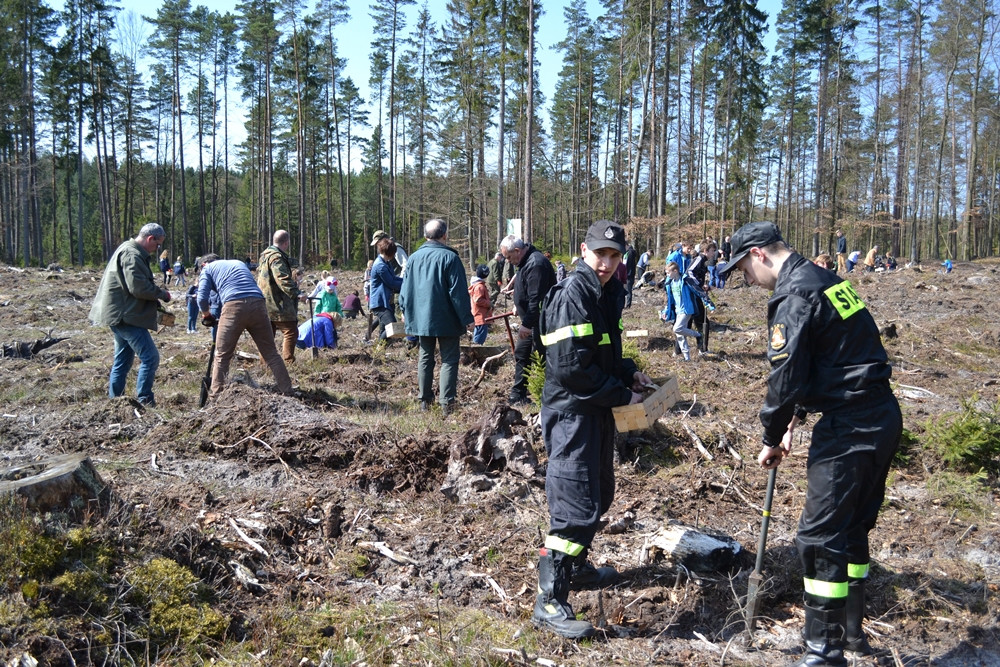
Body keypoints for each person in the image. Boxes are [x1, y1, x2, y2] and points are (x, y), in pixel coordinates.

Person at [719, 221, 902, 666]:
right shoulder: (827, 281)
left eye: (743, 268)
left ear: (760, 254)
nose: (746, 279)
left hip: (850, 427)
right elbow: (833, 354)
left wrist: (770, 433)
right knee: (853, 526)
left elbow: (785, 377)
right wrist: (796, 420)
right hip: (881, 415)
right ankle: (853, 635)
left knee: (819, 536)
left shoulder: (793, 295)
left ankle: (823, 652)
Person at [532, 220, 653, 639]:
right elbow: (571, 370)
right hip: (572, 414)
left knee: (599, 492)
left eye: (614, 256)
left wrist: (629, 375)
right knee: (574, 504)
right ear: (584, 251)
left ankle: (577, 569)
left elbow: (601, 355)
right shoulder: (573, 296)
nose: (606, 263)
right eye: (599, 254)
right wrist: (621, 396)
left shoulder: (604, 295)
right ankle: (549, 600)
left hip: (594, 411)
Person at [89, 223, 173, 407]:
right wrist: (161, 294)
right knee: (150, 358)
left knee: (122, 360)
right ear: (150, 239)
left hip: (121, 314)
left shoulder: (129, 249)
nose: (157, 249)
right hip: (126, 316)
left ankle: (115, 402)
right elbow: (138, 288)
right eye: (157, 244)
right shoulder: (132, 254)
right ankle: (145, 401)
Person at [399, 219, 475, 414]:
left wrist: (404, 311)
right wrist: (467, 318)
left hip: (422, 318)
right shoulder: (451, 258)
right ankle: (447, 403)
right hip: (447, 318)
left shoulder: (414, 258)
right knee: (449, 359)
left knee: (425, 357)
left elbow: (405, 290)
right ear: (444, 235)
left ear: (426, 236)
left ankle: (425, 401)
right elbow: (458, 293)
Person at [196, 254, 294, 397]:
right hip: (259, 304)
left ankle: (216, 397)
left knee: (222, 355)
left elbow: (201, 299)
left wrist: (207, 316)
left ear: (203, 264)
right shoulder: (237, 263)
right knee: (271, 354)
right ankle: (288, 391)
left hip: (233, 305)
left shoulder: (207, 268)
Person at [500, 235, 557, 405]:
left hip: (540, 322)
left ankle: (549, 395)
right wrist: (518, 303)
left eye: (509, 257)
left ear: (517, 251)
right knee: (522, 354)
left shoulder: (536, 264)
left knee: (542, 357)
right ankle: (518, 394)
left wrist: (527, 324)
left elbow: (537, 299)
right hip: (530, 320)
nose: (508, 261)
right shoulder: (524, 262)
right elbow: (526, 288)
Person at [257, 230, 305, 364]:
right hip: (278, 303)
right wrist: (297, 293)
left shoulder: (265, 256)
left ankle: (264, 365)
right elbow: (282, 278)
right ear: (286, 243)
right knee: (290, 331)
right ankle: (288, 362)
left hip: (264, 302)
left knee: (267, 336)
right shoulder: (276, 258)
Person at [662, 261, 702, 361]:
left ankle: (698, 334)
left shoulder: (685, 280)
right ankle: (687, 357)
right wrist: (666, 311)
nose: (667, 275)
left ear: (675, 271)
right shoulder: (670, 283)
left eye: (668, 272)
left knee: (677, 328)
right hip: (677, 310)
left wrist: (708, 303)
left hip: (686, 309)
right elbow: (670, 299)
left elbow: (697, 290)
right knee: (680, 335)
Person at [369, 237, 404, 339]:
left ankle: (381, 349)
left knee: (385, 328)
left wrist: (406, 281)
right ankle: (380, 346)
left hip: (386, 301)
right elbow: (391, 283)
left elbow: (394, 278)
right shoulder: (380, 266)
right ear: (389, 252)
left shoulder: (386, 263)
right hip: (380, 302)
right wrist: (406, 284)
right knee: (392, 327)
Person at [469, 264, 492, 345]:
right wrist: (489, 303)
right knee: (480, 336)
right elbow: (478, 300)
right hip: (481, 315)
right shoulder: (479, 286)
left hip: (480, 314)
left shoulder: (478, 285)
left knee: (479, 333)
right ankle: (476, 352)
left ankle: (475, 351)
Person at [623, 241, 638, 308]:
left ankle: (628, 305)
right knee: (624, 289)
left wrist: (628, 274)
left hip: (629, 275)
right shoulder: (626, 253)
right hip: (625, 273)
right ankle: (624, 304)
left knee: (628, 290)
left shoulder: (630, 252)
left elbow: (629, 265)